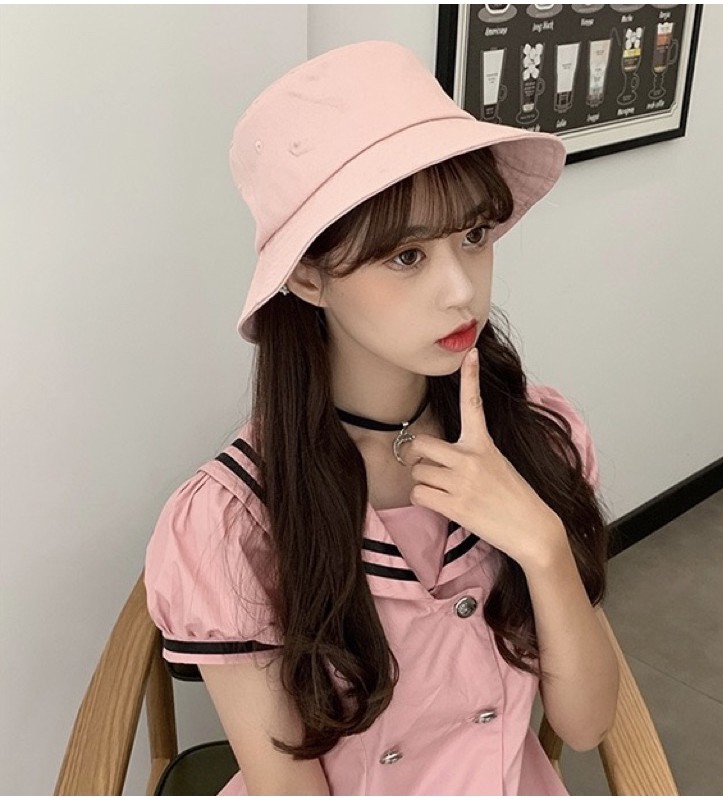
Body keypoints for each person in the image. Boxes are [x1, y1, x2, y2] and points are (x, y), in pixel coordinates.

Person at [144, 39, 619, 796]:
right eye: (406, 256)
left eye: (473, 236)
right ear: (308, 276)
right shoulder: (236, 523)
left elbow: (586, 726)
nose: (461, 290)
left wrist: (544, 547)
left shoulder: (533, 438)